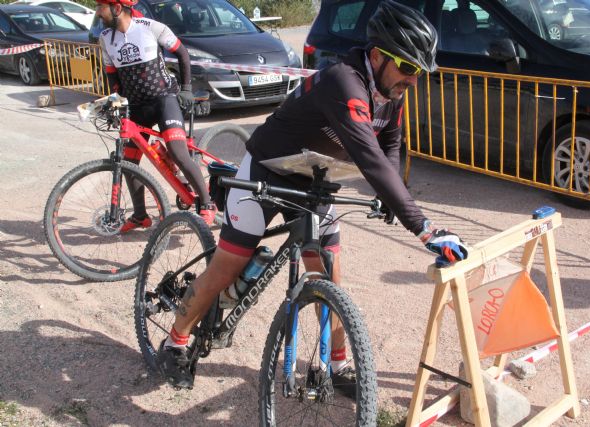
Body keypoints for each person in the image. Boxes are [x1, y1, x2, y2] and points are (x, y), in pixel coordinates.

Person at [157, 0, 469, 389]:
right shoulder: (344, 81)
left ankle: (338, 367)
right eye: (407, 67)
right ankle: (175, 341)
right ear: (377, 56)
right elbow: (369, 158)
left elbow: (389, 150)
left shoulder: (391, 93)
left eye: (419, 71)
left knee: (331, 277)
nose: (413, 79)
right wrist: (424, 227)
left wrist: (395, 200)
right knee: (228, 267)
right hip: (267, 171)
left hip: (314, 179)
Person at [95, 0, 216, 230]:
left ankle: (208, 203)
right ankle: (140, 216)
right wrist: (115, 102)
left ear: (117, 8)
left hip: (164, 100)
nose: (97, 12)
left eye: (101, 6)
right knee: (129, 161)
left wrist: (187, 89)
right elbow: (112, 75)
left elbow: (182, 53)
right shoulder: (105, 38)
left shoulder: (150, 27)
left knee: (178, 152)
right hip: (136, 107)